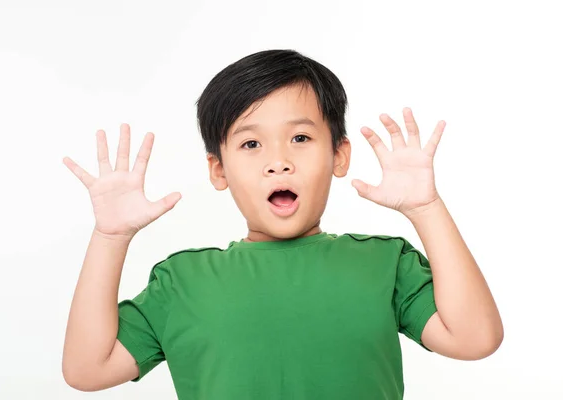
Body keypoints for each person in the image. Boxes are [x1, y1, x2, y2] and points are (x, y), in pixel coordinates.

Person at [61, 49, 503, 399]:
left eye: (300, 138)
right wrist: (110, 237)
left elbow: (475, 338)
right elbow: (87, 369)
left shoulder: (386, 263)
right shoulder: (181, 282)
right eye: (251, 143)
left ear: (339, 155)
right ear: (219, 170)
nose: (278, 162)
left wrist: (426, 208)